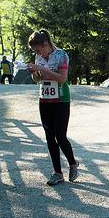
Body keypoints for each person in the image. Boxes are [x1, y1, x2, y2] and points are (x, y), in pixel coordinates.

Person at [26, 29, 79, 185]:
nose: (38, 53)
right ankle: (57, 173)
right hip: (44, 99)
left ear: (46, 44)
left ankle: (73, 164)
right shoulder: (38, 57)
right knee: (49, 137)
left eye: (38, 50)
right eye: (35, 52)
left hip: (61, 99)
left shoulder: (62, 55)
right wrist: (34, 72)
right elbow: (38, 80)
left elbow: (62, 79)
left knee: (60, 136)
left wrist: (42, 69)